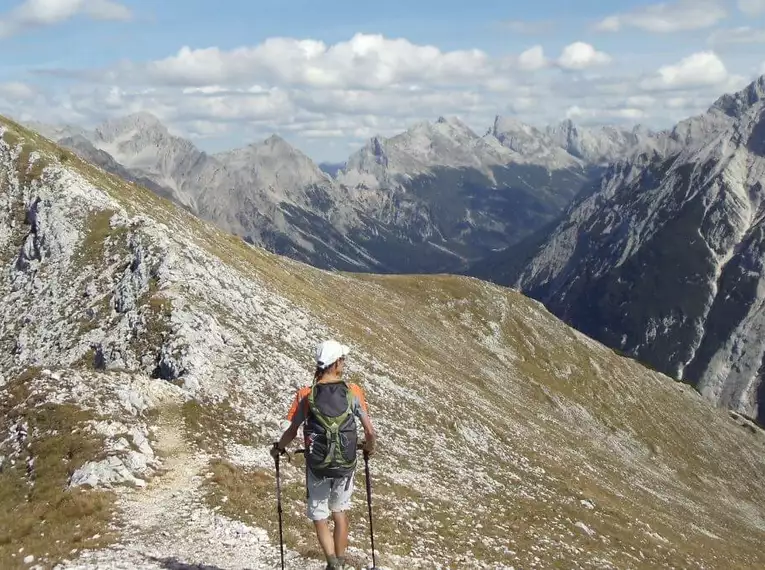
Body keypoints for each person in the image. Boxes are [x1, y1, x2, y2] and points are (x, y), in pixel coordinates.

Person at [271, 340, 377, 570]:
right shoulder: (353, 392)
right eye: (343, 359)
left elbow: (292, 430)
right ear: (336, 362)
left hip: (317, 465)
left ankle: (332, 562)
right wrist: (369, 448)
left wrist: (278, 448)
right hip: (345, 465)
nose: (345, 362)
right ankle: (338, 561)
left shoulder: (306, 395)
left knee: (319, 514)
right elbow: (369, 431)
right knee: (340, 512)